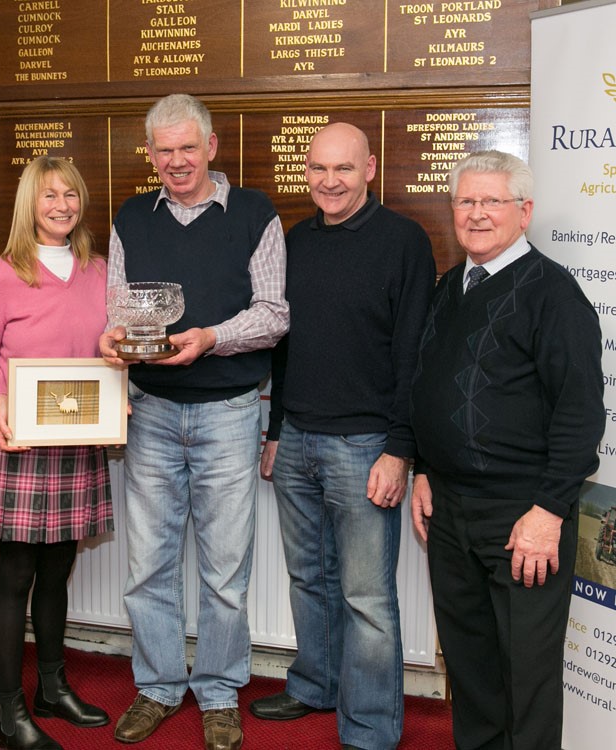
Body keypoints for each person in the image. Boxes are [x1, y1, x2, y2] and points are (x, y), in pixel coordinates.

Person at [99, 94, 289, 750]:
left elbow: (272, 313)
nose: (176, 161)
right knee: (148, 563)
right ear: (149, 155)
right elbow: (116, 312)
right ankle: (156, 686)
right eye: (163, 150)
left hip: (230, 412)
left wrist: (208, 338)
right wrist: (111, 339)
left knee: (225, 565)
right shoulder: (130, 218)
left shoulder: (256, 214)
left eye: (188, 148)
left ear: (211, 147)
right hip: (151, 411)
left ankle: (216, 691)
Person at [248, 122, 435, 750]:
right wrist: (275, 430)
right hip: (296, 436)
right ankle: (316, 685)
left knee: (366, 595)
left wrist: (400, 449)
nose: (330, 181)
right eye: (319, 168)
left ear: (370, 168)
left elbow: (414, 354)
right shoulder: (296, 241)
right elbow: (281, 345)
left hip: (365, 448)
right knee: (310, 578)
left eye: (345, 169)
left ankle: (372, 727)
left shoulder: (404, 241)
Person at [410, 151, 604, 750]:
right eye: (465, 201)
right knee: (471, 672)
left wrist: (548, 512)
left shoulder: (555, 295)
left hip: (523, 517)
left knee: (527, 680)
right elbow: (428, 384)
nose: (476, 214)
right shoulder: (451, 286)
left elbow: (580, 414)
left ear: (524, 212)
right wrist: (422, 468)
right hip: (449, 512)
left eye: (491, 201)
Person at [0, 155, 113, 750]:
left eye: (71, 195)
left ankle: (53, 689)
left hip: (79, 442)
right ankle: (10, 712)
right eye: (49, 196)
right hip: (23, 443)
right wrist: (1, 399)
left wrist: (119, 381)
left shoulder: (100, 270)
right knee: (17, 576)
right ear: (30, 203)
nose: (61, 206)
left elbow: (113, 344)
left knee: (59, 574)